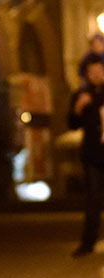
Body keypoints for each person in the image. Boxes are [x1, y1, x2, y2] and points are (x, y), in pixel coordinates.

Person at [69, 54, 104, 258]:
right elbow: (72, 123)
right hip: (92, 154)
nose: (96, 75)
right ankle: (88, 242)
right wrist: (78, 108)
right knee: (93, 200)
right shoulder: (82, 95)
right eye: (91, 72)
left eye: (99, 70)